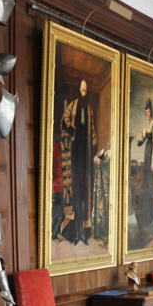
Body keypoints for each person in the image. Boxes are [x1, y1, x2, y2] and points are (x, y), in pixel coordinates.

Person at [59, 79, 101, 245]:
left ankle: (83, 234)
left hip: (85, 157)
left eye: (86, 91)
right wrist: (72, 131)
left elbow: (93, 135)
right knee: (75, 195)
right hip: (74, 154)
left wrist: (96, 154)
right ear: (79, 90)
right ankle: (75, 234)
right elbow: (64, 122)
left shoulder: (89, 110)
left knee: (85, 195)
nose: (84, 93)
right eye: (82, 90)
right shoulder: (73, 106)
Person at [134, 99, 153, 237]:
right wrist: (136, 137)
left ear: (152, 112)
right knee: (145, 186)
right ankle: (147, 218)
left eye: (149, 111)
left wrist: (152, 161)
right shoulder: (146, 125)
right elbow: (141, 140)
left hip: (151, 153)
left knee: (151, 188)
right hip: (146, 154)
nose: (148, 114)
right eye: (146, 112)